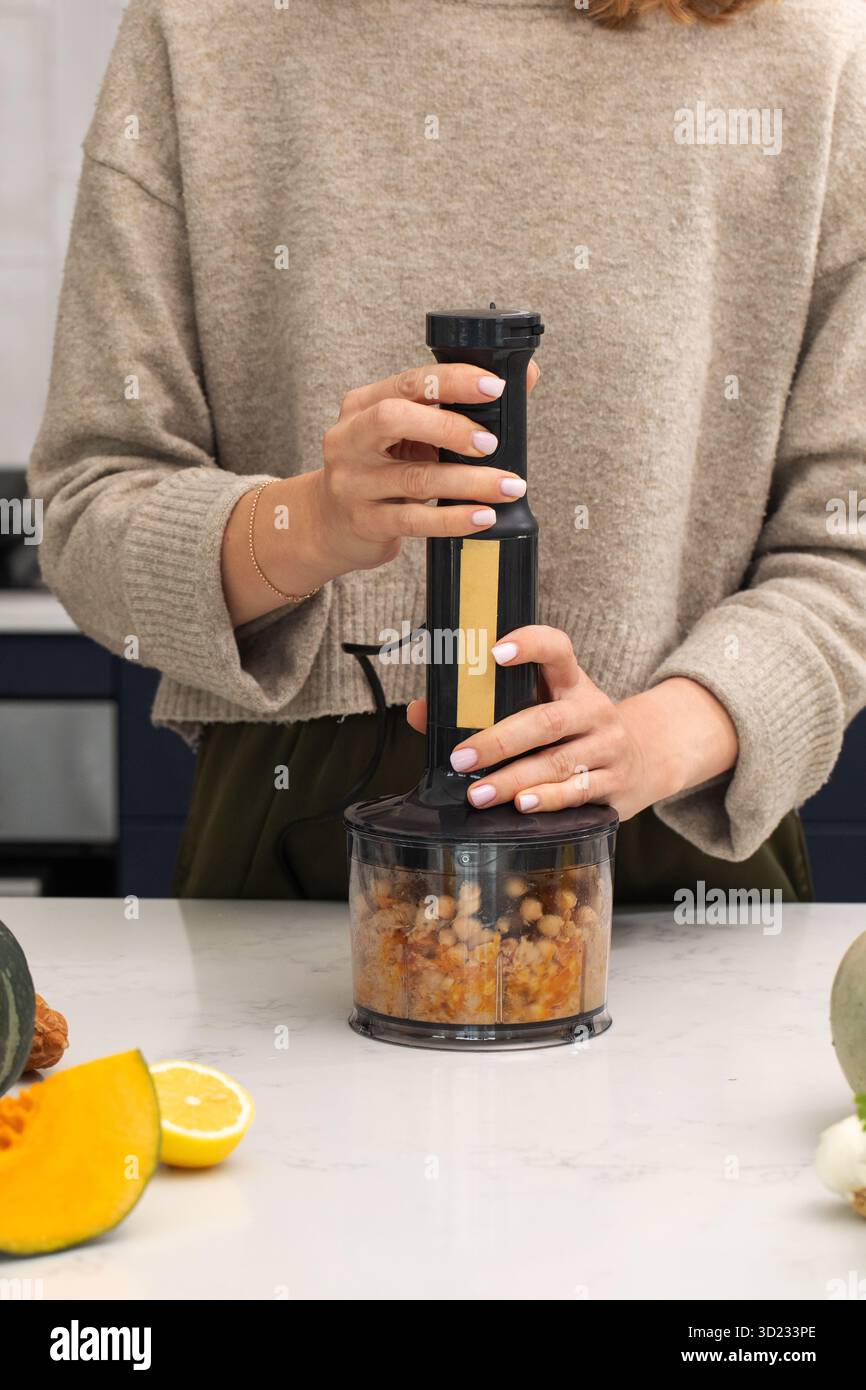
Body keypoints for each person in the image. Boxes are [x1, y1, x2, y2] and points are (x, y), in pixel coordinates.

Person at [29, 0, 866, 902]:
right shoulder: (198, 30)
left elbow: (845, 543)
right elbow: (90, 506)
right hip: (292, 833)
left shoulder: (809, 47)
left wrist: (658, 739)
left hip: (673, 832)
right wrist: (308, 524)